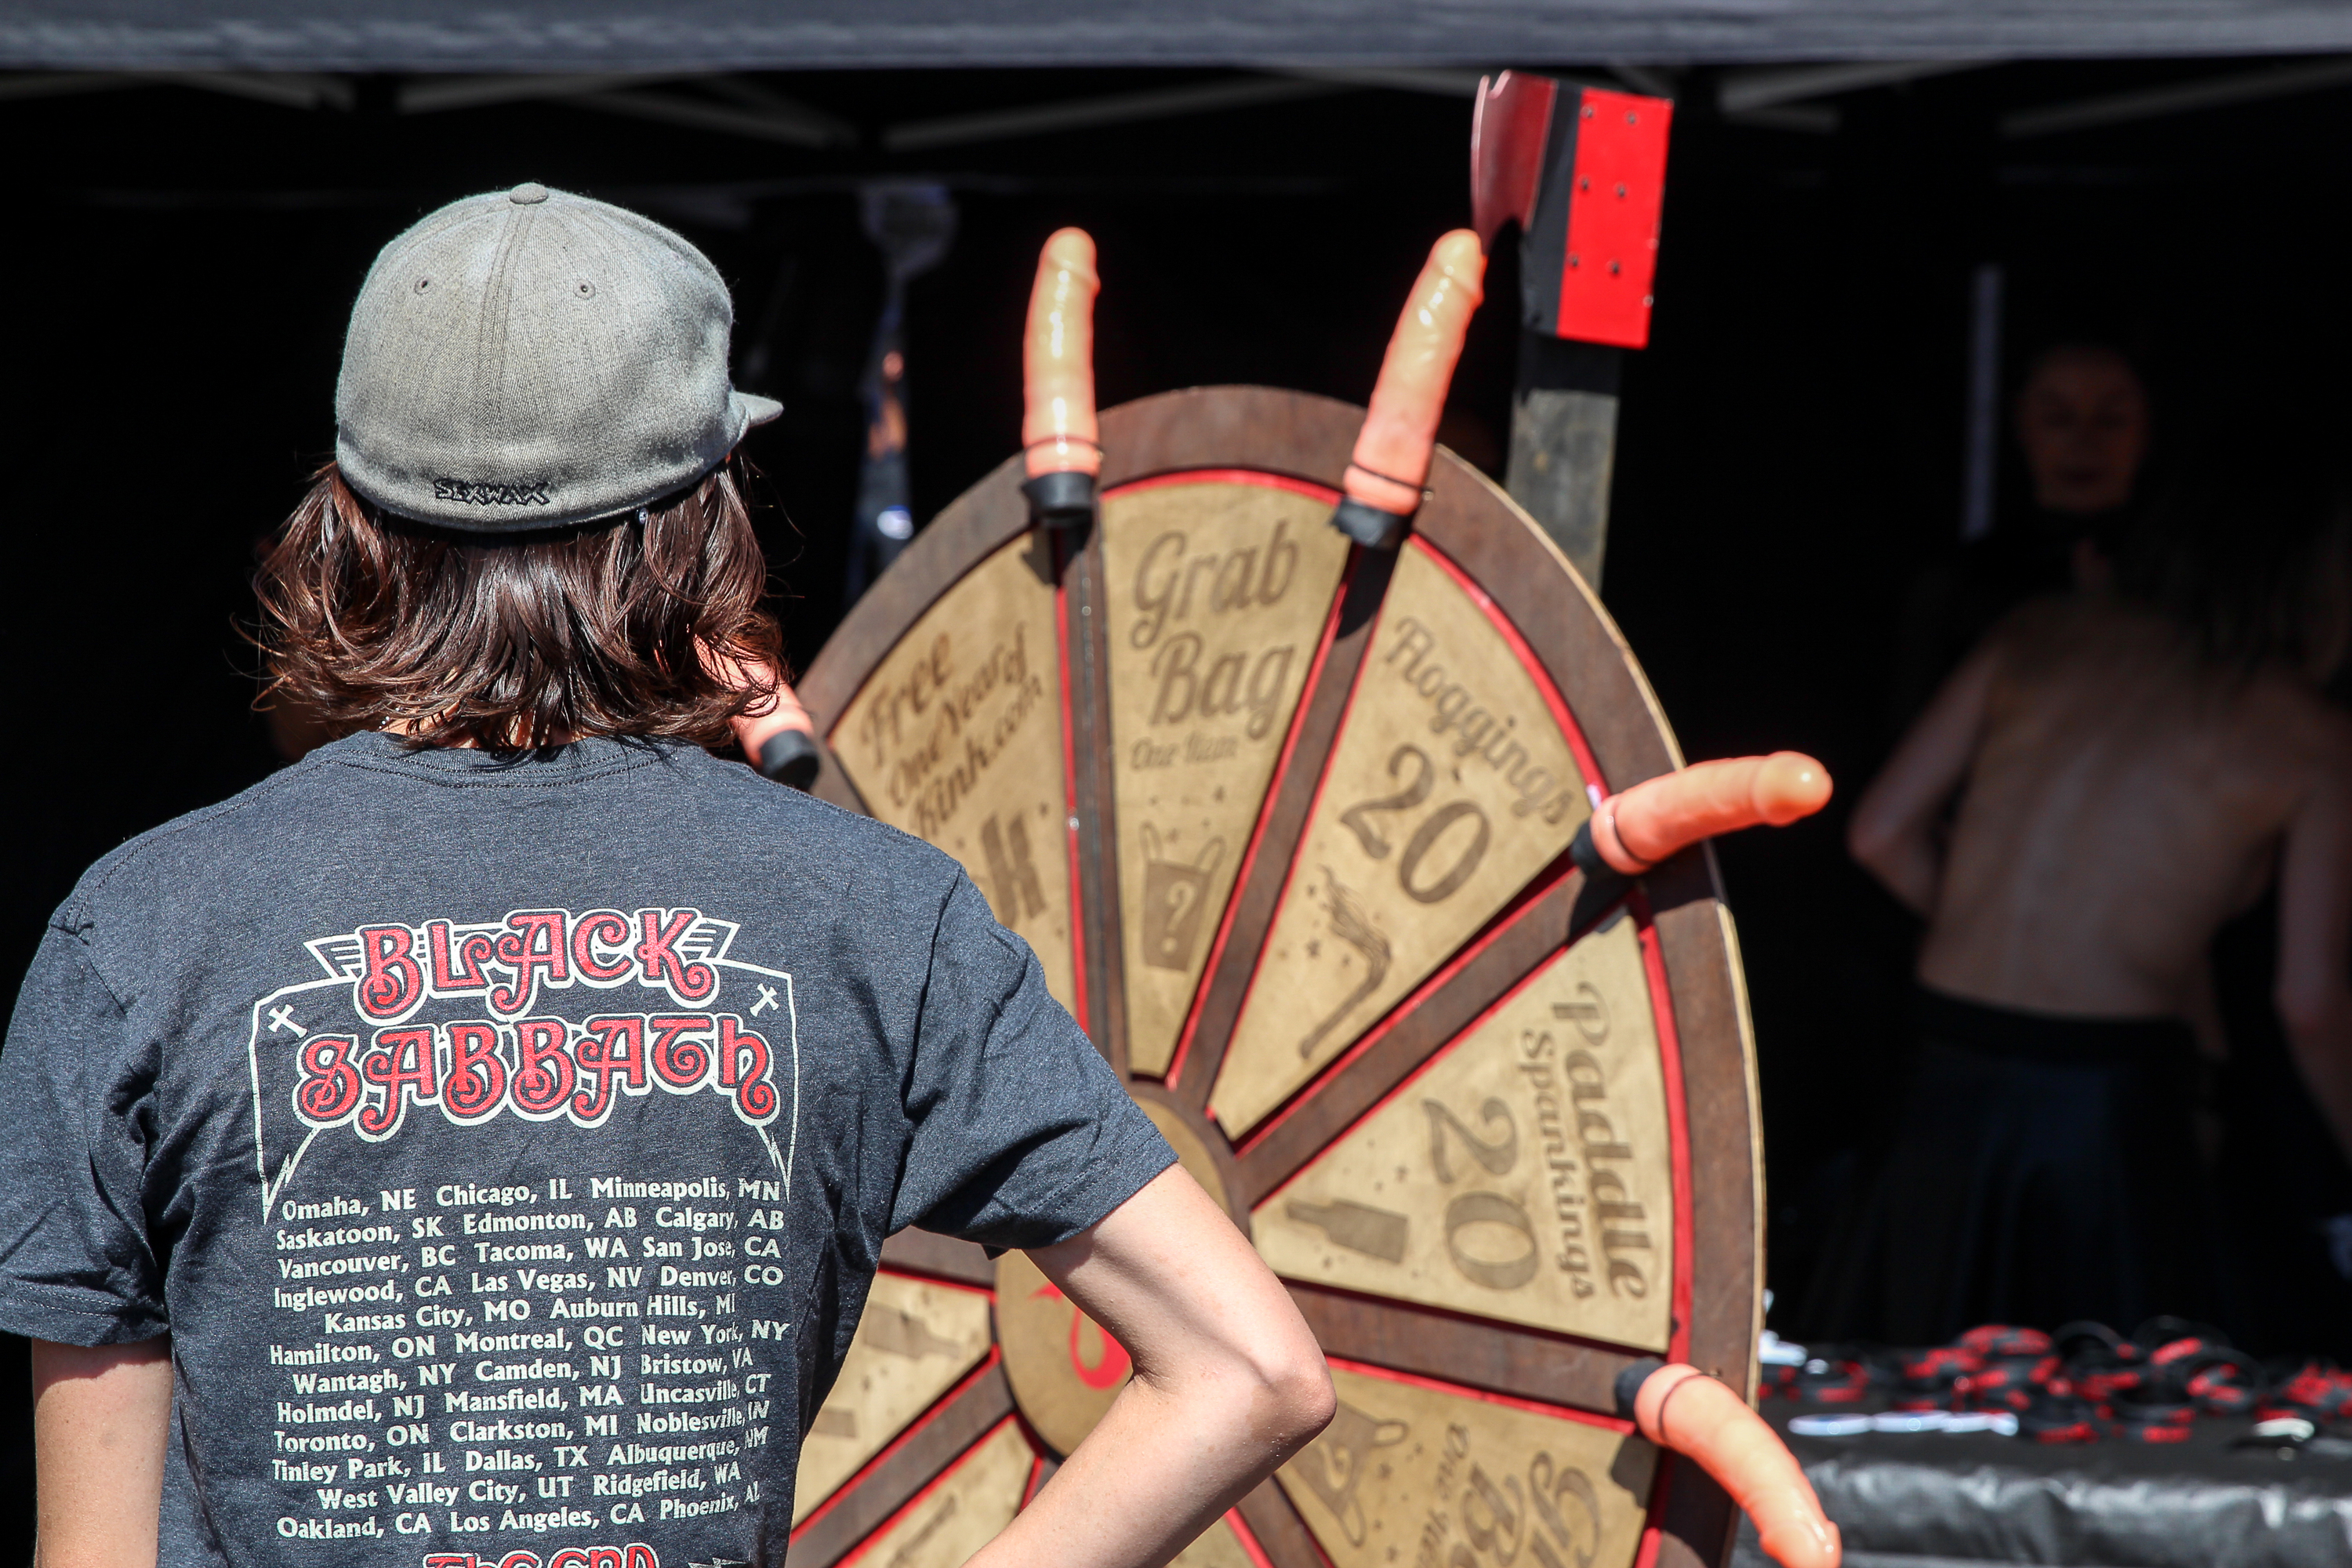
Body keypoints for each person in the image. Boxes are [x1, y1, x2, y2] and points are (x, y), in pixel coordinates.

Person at [0, 184, 1333, 1568]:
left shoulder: (137, 937)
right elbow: (1253, 1369)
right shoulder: (880, 916)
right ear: (700, 524)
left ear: (349, 523)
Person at [1810, 456, 2352, 1345]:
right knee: (2108, 1413)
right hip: (2101, 1107)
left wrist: (1995, 931)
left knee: (1900, 1380)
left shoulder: (2038, 636)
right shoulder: (2307, 735)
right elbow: (2310, 1001)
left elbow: (1880, 833)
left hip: (1943, 1066)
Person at [1890, 343, 2152, 728]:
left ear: (2146, 428)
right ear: (2021, 424)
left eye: (2111, 420)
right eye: (2058, 419)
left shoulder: (2190, 580)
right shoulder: (1960, 586)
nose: (2084, 442)